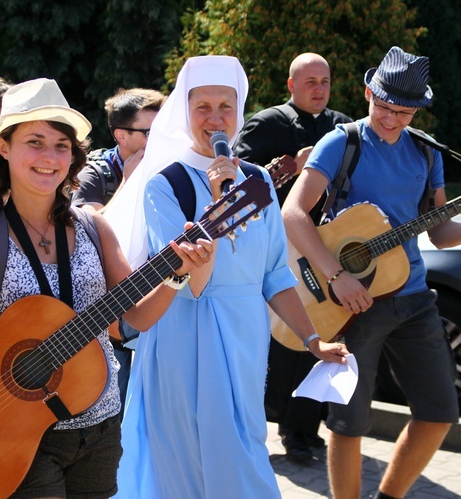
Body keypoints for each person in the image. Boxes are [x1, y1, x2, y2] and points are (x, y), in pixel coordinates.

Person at [0, 77, 211, 498]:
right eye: (36, 142)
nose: (50, 156)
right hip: (11, 433)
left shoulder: (95, 228)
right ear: (4, 147)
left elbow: (131, 320)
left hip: (99, 424)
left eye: (62, 145)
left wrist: (176, 274)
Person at [104, 55, 348, 499]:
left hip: (245, 340)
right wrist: (216, 201)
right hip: (183, 339)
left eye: (225, 107)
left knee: (244, 453)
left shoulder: (259, 182)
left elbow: (274, 275)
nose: (215, 119)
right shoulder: (166, 185)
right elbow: (193, 284)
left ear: (239, 113)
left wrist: (314, 340)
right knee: (187, 464)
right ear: (185, 112)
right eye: (203, 107)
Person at [282, 46, 461, 499]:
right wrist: (334, 274)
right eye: (383, 107)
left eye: (403, 112)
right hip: (354, 302)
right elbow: (294, 213)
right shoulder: (341, 142)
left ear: (418, 110)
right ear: (367, 93)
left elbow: (439, 233)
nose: (391, 120)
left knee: (440, 413)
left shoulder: (426, 153)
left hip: (414, 297)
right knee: (348, 422)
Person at [235, 52, 352, 461]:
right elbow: (234, 174)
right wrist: (285, 166)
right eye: (310, 82)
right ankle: (281, 426)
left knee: (326, 334)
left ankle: (305, 428)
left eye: (324, 81)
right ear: (292, 86)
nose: (319, 89)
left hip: (327, 246)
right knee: (286, 341)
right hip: (275, 249)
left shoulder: (343, 127)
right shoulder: (268, 123)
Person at [71, 87, 166, 413]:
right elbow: (90, 235)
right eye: (149, 132)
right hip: (109, 321)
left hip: (159, 307)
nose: (160, 138)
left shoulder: (170, 170)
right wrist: (128, 183)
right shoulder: (95, 173)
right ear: (121, 136)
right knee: (113, 413)